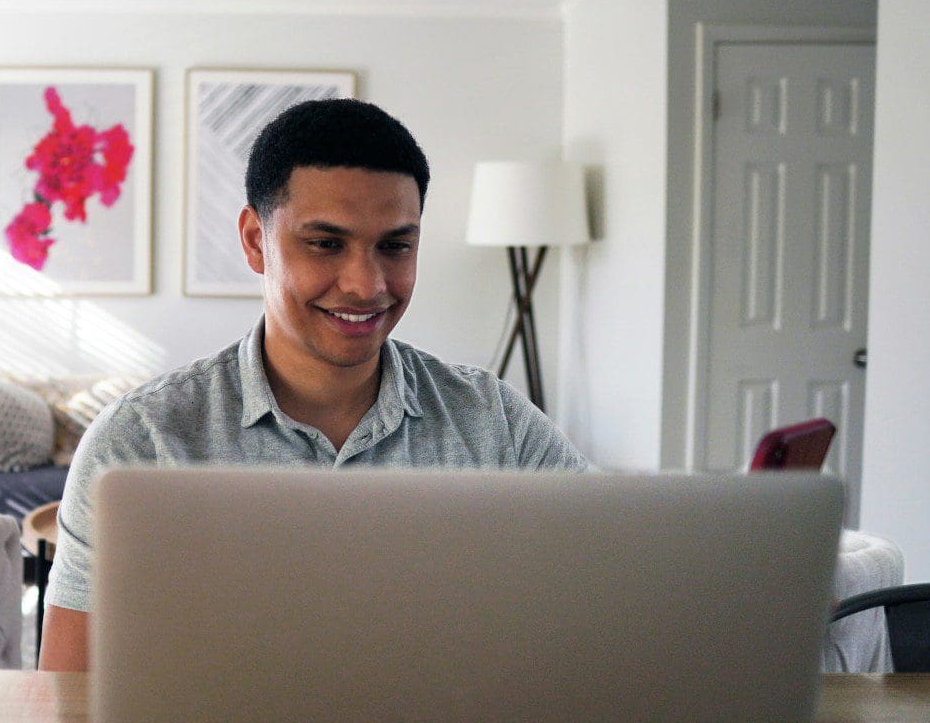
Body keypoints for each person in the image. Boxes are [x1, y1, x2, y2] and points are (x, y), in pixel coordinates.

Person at [38, 98, 587, 671]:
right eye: (326, 244)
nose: (366, 284)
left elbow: (609, 588)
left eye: (395, 246)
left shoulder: (493, 422)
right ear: (255, 240)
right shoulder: (140, 441)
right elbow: (65, 700)